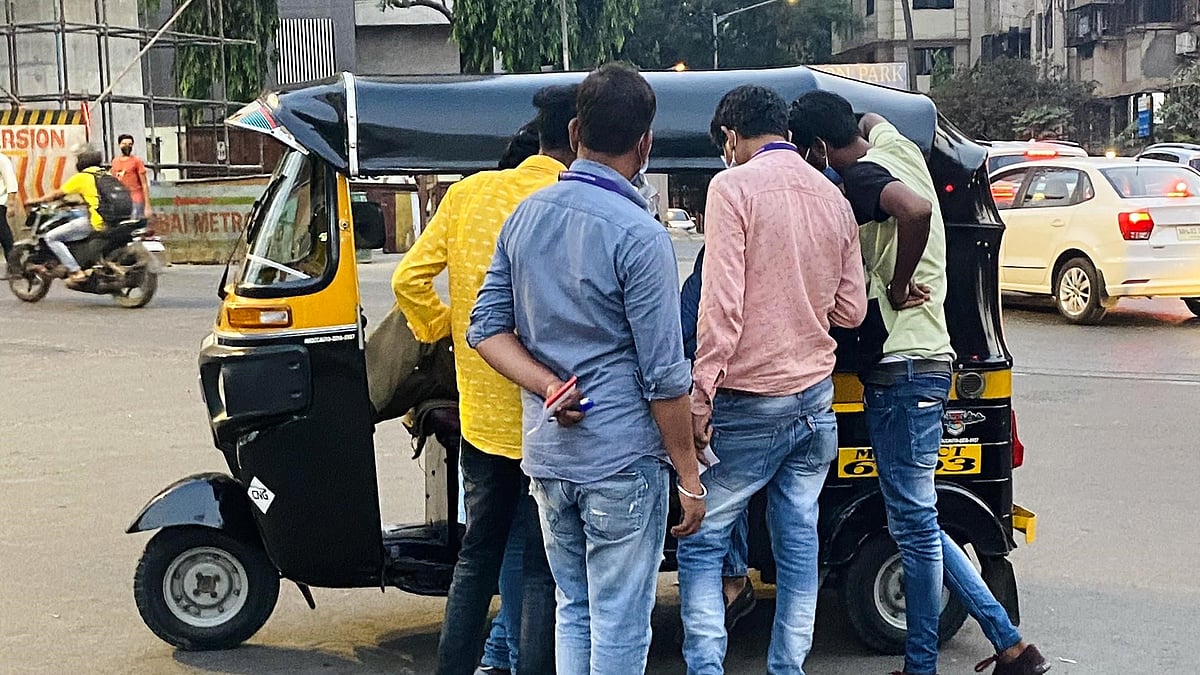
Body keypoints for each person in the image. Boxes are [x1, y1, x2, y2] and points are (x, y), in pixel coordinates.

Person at [788, 90, 1050, 675]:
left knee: (912, 522)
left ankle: (922, 665)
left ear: (821, 148)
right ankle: (1011, 645)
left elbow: (913, 210)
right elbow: (877, 118)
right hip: (928, 361)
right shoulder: (896, 144)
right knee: (915, 516)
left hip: (901, 368)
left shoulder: (861, 177)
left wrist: (900, 280)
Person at [468, 63, 705, 675]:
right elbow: (664, 375)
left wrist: (548, 385)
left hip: (549, 455)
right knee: (621, 623)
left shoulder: (524, 216)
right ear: (645, 145)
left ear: (575, 133)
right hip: (622, 462)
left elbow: (485, 329)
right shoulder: (640, 234)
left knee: (574, 608)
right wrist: (689, 475)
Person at [391, 86, 581, 675]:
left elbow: (408, 279)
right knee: (538, 567)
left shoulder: (467, 194)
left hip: (480, 414)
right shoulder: (575, 198)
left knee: (477, 555)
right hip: (552, 413)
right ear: (579, 135)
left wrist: (445, 333)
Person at [678, 84, 867, 675]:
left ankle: (707, 668)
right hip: (814, 403)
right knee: (797, 545)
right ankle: (788, 667)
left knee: (704, 544)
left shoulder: (731, 188)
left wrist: (701, 394)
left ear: (732, 138)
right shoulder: (831, 195)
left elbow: (721, 306)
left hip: (747, 404)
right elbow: (852, 311)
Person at [681, 246, 757, 634]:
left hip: (726, 393)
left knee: (719, 475)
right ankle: (732, 579)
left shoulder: (718, 256)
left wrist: (700, 400)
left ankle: (729, 582)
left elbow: (692, 330)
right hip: (793, 391)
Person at [27, 149, 108, 284]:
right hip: (113, 219)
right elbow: (97, 198)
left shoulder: (83, 177)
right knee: (77, 217)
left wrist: (34, 201)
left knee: (51, 237)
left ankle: (75, 270)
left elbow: (56, 194)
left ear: (82, 162)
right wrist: (76, 202)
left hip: (97, 221)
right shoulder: (106, 175)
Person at [111, 134, 152, 219]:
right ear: (119, 145)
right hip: (121, 200)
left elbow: (144, 184)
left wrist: (147, 205)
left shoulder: (137, 161)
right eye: (124, 144)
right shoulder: (115, 162)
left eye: (130, 144)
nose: (127, 146)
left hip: (136, 199)